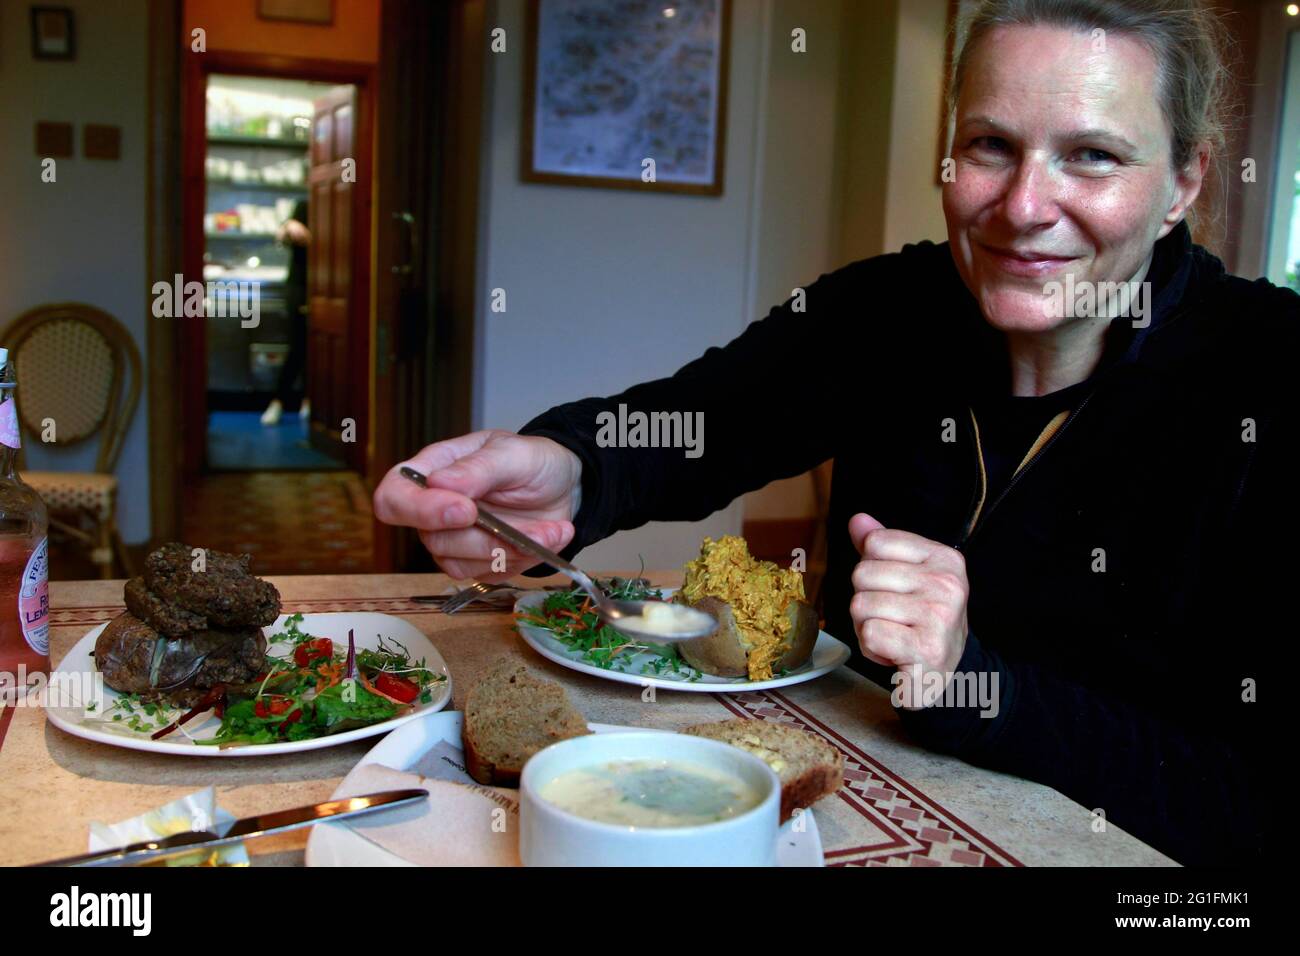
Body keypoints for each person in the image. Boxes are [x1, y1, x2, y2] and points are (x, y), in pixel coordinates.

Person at [373, 0, 1287, 865]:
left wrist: (977, 683)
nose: (1021, 207)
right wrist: (570, 468)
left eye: (1091, 156)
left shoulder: (1268, 377)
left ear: (1184, 182)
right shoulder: (891, 307)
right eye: (990, 146)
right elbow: (710, 416)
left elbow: (1253, 803)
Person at [261, 198, 311, 426]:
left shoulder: (337, 210)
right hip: (300, 286)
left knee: (320, 347)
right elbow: (283, 234)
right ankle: (279, 401)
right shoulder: (304, 206)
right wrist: (288, 226)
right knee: (299, 344)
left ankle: (308, 402)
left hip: (324, 284)